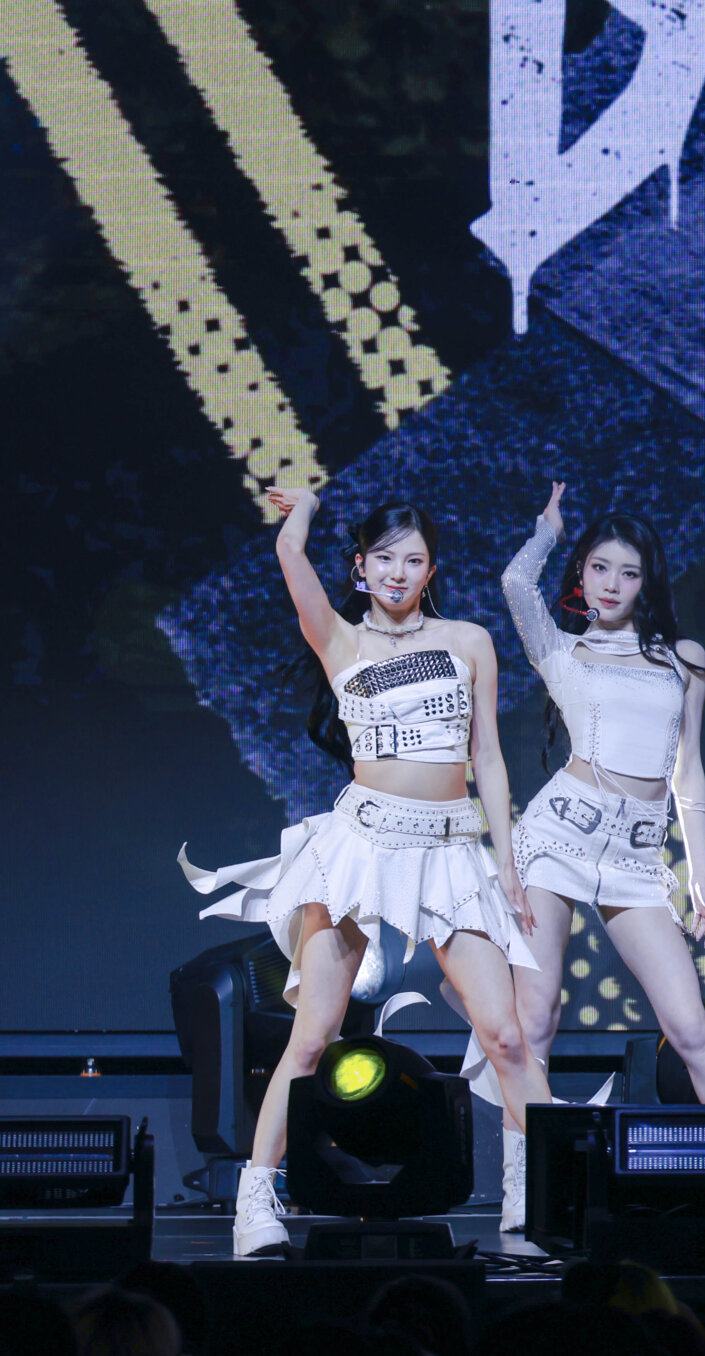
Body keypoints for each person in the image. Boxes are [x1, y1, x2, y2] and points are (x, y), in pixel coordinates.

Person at [179, 490, 545, 1255]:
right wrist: (307, 506)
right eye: (384, 558)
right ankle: (256, 1202)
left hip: (451, 850)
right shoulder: (339, 639)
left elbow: (487, 758)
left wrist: (508, 866)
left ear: (431, 570)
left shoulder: (469, 640)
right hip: (362, 844)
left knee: (508, 1037)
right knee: (312, 1036)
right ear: (360, 565)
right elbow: (288, 554)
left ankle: (534, 1200)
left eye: (414, 560)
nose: (398, 572)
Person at [493, 484, 705, 1231]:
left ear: (646, 582)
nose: (610, 584)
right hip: (557, 837)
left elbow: (688, 770)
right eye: (599, 568)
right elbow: (514, 584)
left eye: (627, 573)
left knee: (691, 1028)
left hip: (636, 857)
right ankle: (521, 1192)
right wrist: (547, 531)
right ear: (581, 574)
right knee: (534, 1021)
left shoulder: (683, 659)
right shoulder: (561, 650)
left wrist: (699, 876)